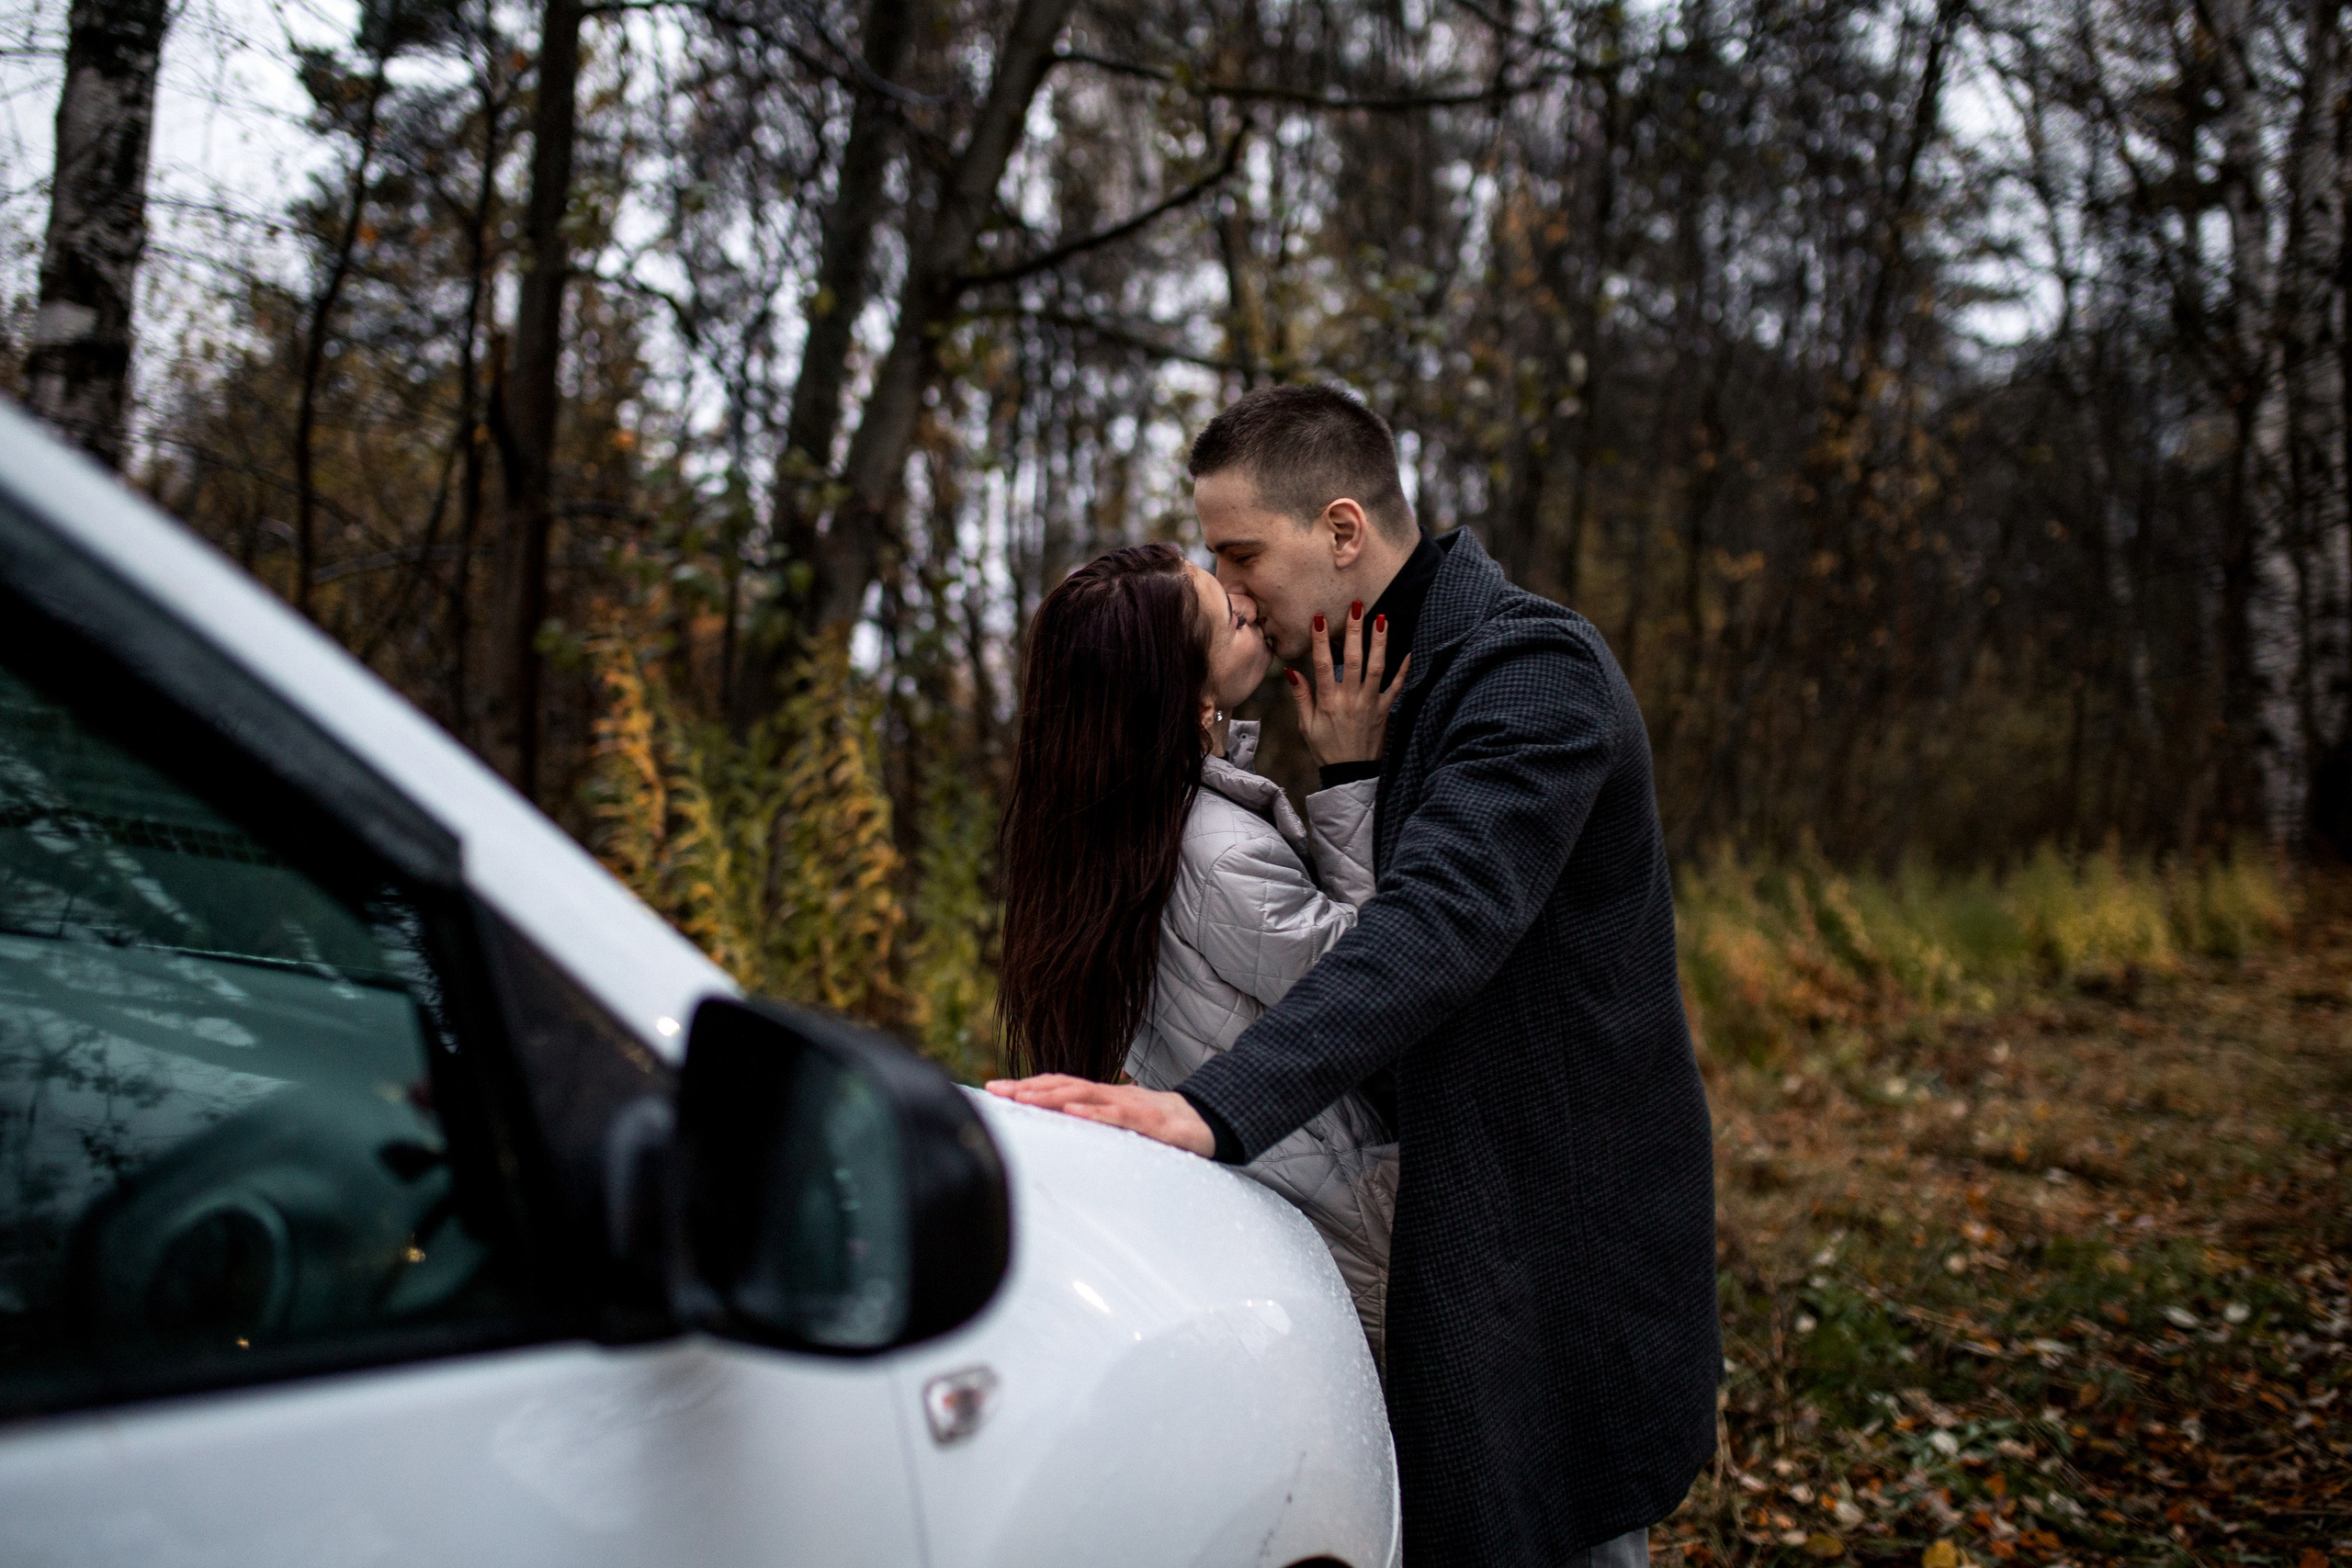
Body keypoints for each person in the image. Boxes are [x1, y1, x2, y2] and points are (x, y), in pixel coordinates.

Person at [991, 385, 1721, 1568]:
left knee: (1559, 1525)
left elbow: (1432, 924)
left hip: (1552, 1232)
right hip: (1448, 1236)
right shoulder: (1378, 689)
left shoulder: (1528, 674)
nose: (1234, 592)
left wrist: (1213, 1107)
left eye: (1241, 553)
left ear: (1340, 532)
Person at [991, 540, 1406, 1359]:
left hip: (1259, 1210)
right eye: (1231, 618)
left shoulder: (1103, 838)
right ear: (1184, 697)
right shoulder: (1216, 852)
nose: (1251, 609)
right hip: (1347, 1222)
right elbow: (1375, 982)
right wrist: (1353, 772)